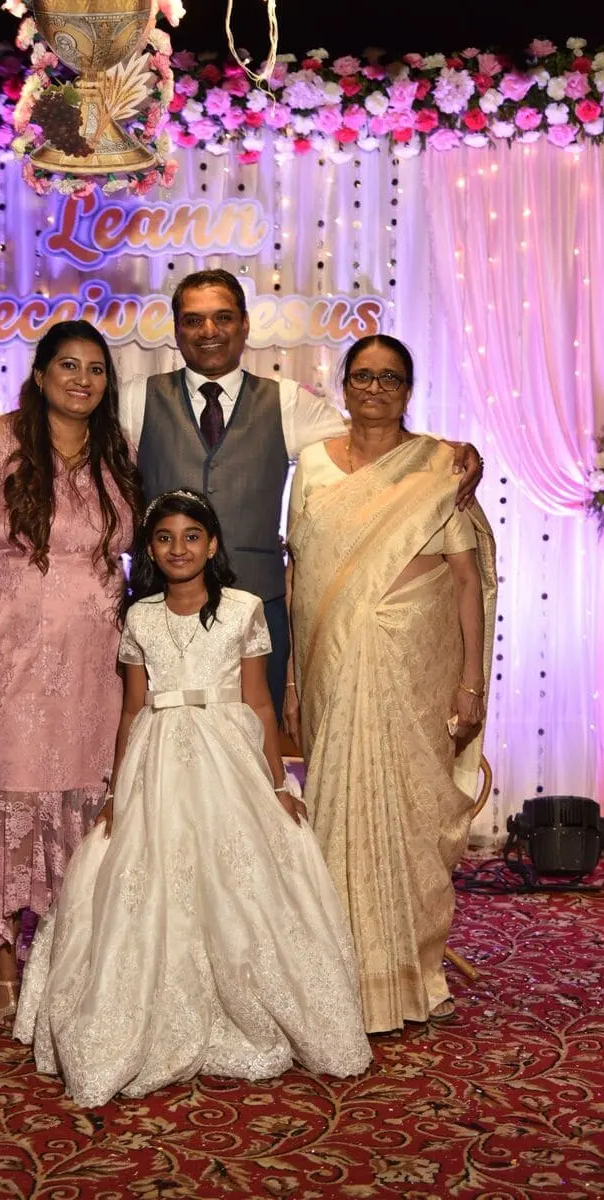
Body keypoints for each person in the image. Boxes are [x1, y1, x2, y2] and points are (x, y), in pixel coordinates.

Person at [0, 270, 483, 722]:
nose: (209, 331)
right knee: (165, 762)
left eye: (223, 317)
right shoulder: (136, 399)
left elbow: (372, 434)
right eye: (194, 320)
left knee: (254, 759)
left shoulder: (288, 403)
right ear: (176, 329)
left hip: (259, 618)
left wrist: (449, 450)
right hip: (160, 617)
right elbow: (67, 416)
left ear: (244, 325)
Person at [12, 489, 372, 1105]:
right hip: (157, 758)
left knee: (242, 874)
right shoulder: (141, 617)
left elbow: (259, 703)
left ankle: (255, 1007)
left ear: (211, 545)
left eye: (191, 536)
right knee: (145, 873)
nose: (178, 548)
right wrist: (117, 790)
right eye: (164, 538)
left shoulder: (243, 608)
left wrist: (276, 783)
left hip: (227, 754)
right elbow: (132, 711)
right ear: (150, 550)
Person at [283, 335, 497, 1034]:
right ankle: (338, 979)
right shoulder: (313, 463)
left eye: (390, 378)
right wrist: (293, 677)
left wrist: (471, 684)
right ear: (344, 385)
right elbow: (299, 572)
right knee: (338, 805)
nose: (375, 388)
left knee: (409, 814)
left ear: (408, 389)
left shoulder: (439, 464)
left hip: (415, 664)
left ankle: (414, 978)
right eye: (363, 376)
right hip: (333, 661)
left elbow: (464, 580)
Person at [0, 319, 142, 1027]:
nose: (82, 380)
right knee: (14, 801)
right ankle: (2, 964)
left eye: (95, 369)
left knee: (85, 801)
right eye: (68, 366)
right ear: (40, 374)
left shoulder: (118, 450)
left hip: (96, 664)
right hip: (13, 659)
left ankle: (65, 959)